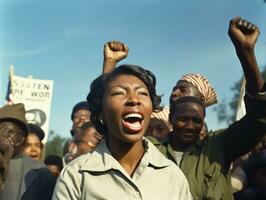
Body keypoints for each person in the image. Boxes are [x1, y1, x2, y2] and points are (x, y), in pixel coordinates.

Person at [148, 17, 266, 199]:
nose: (174, 94)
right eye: (182, 119)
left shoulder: (218, 145)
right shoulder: (148, 148)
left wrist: (246, 53)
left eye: (196, 120)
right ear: (171, 118)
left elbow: (259, 117)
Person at [52, 64, 191, 200]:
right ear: (101, 112)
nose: (134, 99)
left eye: (142, 93)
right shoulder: (75, 175)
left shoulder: (173, 176)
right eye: (119, 93)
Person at [0, 103, 56, 200]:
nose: (3, 135)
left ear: (22, 138)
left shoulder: (41, 172)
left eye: (10, 132)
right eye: (1, 129)